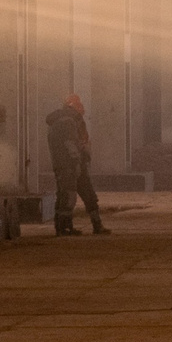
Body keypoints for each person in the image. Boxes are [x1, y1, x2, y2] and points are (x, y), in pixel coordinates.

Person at [44, 94, 106, 236]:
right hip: (69, 166)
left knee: (82, 195)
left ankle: (69, 227)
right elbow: (70, 144)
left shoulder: (67, 120)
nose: (82, 108)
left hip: (72, 164)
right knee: (68, 196)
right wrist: (77, 162)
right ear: (73, 106)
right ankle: (65, 228)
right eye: (79, 105)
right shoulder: (67, 121)